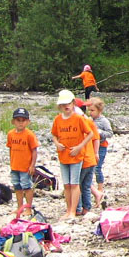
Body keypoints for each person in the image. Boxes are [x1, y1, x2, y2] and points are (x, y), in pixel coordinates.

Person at [52, 89, 95, 219]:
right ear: (60, 106)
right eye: (63, 104)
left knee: (75, 183)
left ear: (73, 104)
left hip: (76, 155)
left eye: (68, 103)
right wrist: (57, 143)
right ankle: (68, 210)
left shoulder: (78, 118)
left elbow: (90, 133)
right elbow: (54, 134)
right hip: (63, 155)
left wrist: (80, 146)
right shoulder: (58, 119)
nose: (66, 106)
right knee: (66, 184)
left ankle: (73, 211)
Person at [6, 107, 38, 220]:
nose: (20, 123)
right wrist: (11, 162)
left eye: (23, 120)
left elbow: (34, 150)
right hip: (15, 165)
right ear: (13, 121)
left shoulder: (29, 134)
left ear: (28, 122)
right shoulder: (10, 134)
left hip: (26, 166)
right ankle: (20, 207)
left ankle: (28, 207)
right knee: (17, 186)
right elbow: (10, 148)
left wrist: (32, 165)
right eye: (18, 120)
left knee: (27, 186)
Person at [87, 98, 113, 210]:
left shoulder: (104, 121)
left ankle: (100, 189)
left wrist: (100, 132)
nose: (90, 112)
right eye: (89, 110)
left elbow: (110, 133)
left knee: (97, 168)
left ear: (99, 110)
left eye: (92, 110)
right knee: (90, 169)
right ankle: (95, 190)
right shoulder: (89, 120)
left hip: (101, 147)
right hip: (90, 147)